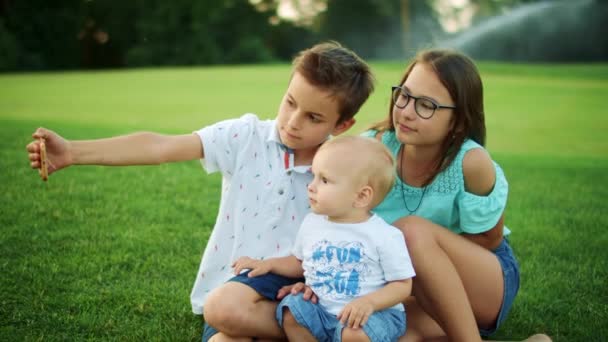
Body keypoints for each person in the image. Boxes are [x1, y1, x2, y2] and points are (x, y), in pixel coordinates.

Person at [25, 41, 375, 341]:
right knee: (224, 325)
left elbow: (355, 237)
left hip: (298, 291)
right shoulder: (246, 136)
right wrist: (73, 152)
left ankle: (309, 325)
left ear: (342, 125)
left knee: (241, 318)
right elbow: (159, 147)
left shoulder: (343, 168)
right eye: (290, 102)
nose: (293, 121)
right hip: (234, 292)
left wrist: (314, 283)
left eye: (314, 117)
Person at [277, 49, 551, 342]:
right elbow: (345, 227)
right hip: (404, 283)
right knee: (385, 332)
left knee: (411, 233)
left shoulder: (471, 163)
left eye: (426, 105)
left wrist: (419, 273)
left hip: (480, 283)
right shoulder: (373, 150)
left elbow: (488, 241)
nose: (406, 111)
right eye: (404, 96)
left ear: (458, 120)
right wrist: (322, 284)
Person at [232, 136, 416, 342]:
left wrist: (370, 303)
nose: (311, 186)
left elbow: (402, 284)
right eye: (314, 176)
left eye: (325, 180)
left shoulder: (384, 235)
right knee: (292, 312)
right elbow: (300, 263)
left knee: (354, 334)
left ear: (361, 196)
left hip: (373, 315)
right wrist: (268, 265)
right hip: (322, 310)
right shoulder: (312, 223)